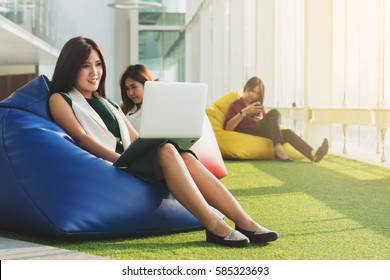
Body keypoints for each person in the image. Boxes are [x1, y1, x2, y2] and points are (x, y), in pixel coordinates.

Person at [48, 36, 278, 247]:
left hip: (131, 158)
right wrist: (120, 158)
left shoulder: (110, 105)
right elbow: (82, 137)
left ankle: (244, 221)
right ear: (71, 67)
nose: (94, 72)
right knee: (167, 150)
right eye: (85, 66)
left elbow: (137, 138)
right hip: (111, 164)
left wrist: (164, 138)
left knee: (183, 154)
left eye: (98, 64)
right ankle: (214, 225)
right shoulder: (62, 99)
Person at [225, 76, 328, 162]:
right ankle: (278, 148)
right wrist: (244, 112)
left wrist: (261, 119)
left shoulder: (257, 106)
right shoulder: (235, 105)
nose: (253, 95)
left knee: (286, 131)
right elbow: (228, 128)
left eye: (257, 94)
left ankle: (313, 154)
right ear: (246, 88)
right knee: (274, 113)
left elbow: (271, 124)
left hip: (260, 131)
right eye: (251, 91)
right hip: (248, 134)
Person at [120, 64, 153, 131]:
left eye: (134, 87)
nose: (130, 93)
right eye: (127, 89)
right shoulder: (123, 107)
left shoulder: (153, 108)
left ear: (146, 84)